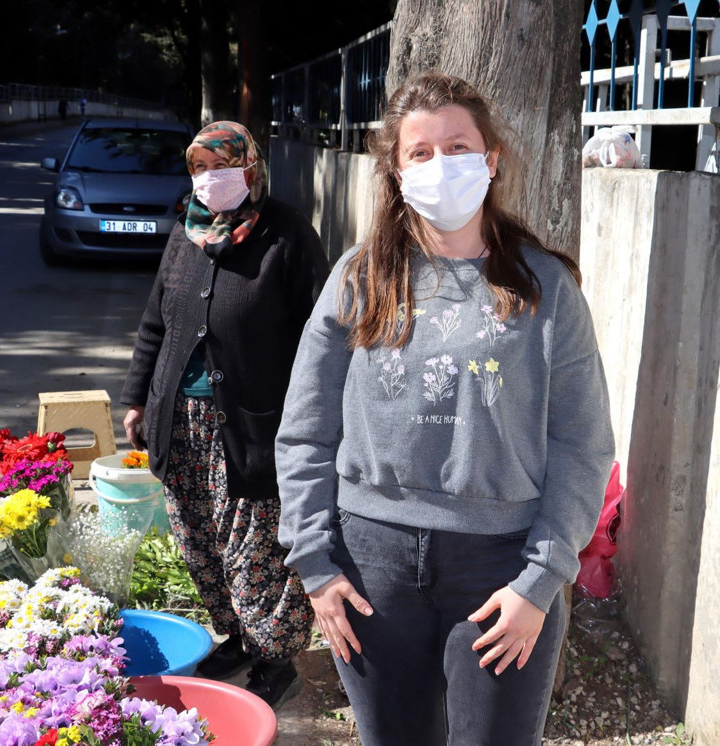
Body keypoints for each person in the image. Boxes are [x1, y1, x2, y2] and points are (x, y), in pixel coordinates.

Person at [275, 70, 615, 745]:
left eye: (459, 148)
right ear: (397, 175)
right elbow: (307, 432)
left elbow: (583, 444)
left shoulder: (545, 287)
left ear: (490, 161)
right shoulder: (359, 279)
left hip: (501, 569)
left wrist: (541, 579)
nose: (442, 166)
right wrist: (315, 563)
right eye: (421, 153)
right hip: (370, 568)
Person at [121, 120, 329, 707]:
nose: (212, 179)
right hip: (180, 423)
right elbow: (155, 325)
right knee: (201, 542)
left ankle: (275, 658)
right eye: (201, 167)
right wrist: (137, 399)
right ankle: (237, 635)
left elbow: (323, 334)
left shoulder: (287, 235)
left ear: (252, 167)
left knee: (255, 549)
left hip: (252, 428)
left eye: (224, 166)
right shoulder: (183, 232)